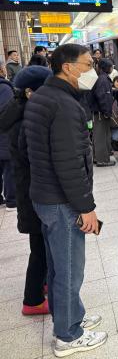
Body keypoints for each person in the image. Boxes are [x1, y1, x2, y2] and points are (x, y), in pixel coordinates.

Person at [23, 44, 107, 357]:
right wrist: (86, 208)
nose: (92, 71)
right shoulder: (64, 105)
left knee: (58, 267)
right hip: (62, 201)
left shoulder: (42, 97)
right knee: (70, 269)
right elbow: (70, 163)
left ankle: (71, 316)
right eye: (88, 65)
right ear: (68, 67)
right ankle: (69, 335)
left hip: (45, 196)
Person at [0, 66, 52, 315]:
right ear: (31, 92)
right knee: (40, 248)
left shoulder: (19, 110)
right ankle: (32, 300)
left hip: (30, 190)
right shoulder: (26, 120)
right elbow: (36, 160)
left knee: (40, 244)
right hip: (35, 193)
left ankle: (42, 284)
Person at [89, 59, 115, 167]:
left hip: (99, 111)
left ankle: (97, 157)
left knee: (99, 135)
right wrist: (106, 111)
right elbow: (103, 97)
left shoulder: (101, 78)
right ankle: (102, 160)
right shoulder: (103, 79)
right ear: (106, 67)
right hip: (100, 112)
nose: (112, 68)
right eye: (111, 66)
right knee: (101, 136)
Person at [0, 60, 16, 208]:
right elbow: (7, 113)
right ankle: (12, 199)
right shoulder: (4, 88)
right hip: (4, 135)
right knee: (9, 167)